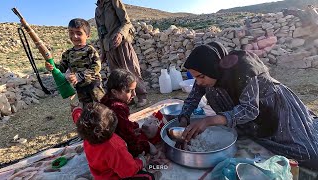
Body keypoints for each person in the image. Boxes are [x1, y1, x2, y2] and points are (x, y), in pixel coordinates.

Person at [177, 41, 318, 170]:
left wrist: (210, 120)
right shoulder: (207, 74)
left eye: (200, 77)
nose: (198, 82)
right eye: (195, 77)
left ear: (213, 68)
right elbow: (192, 98)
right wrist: (184, 118)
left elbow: (250, 109)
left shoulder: (242, 70)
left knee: (307, 154)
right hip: (250, 112)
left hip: (273, 106)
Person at [76, 102, 157, 180]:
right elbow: (129, 171)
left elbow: (77, 117)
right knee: (149, 177)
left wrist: (76, 110)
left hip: (100, 172)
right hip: (113, 177)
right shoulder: (114, 146)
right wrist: (141, 161)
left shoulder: (87, 132)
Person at [95, 0, 148, 107]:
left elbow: (126, 22)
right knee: (117, 76)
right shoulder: (97, 10)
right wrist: (103, 51)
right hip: (109, 47)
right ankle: (127, 100)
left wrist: (120, 34)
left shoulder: (114, 1)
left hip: (121, 43)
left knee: (131, 71)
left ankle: (142, 96)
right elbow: (100, 32)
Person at [45, 18, 105, 106]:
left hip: (93, 83)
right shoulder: (67, 53)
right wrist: (52, 67)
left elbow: (96, 66)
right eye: (71, 33)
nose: (75, 36)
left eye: (79, 33)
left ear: (87, 35)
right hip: (79, 86)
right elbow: (61, 68)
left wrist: (79, 76)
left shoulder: (89, 50)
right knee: (86, 108)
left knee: (101, 105)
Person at [101, 69, 157, 157]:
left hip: (110, 140)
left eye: (134, 90)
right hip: (115, 148)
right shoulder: (117, 108)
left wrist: (133, 127)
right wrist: (146, 146)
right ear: (114, 92)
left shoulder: (106, 100)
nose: (134, 94)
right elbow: (129, 140)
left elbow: (123, 126)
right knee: (153, 148)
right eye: (129, 91)